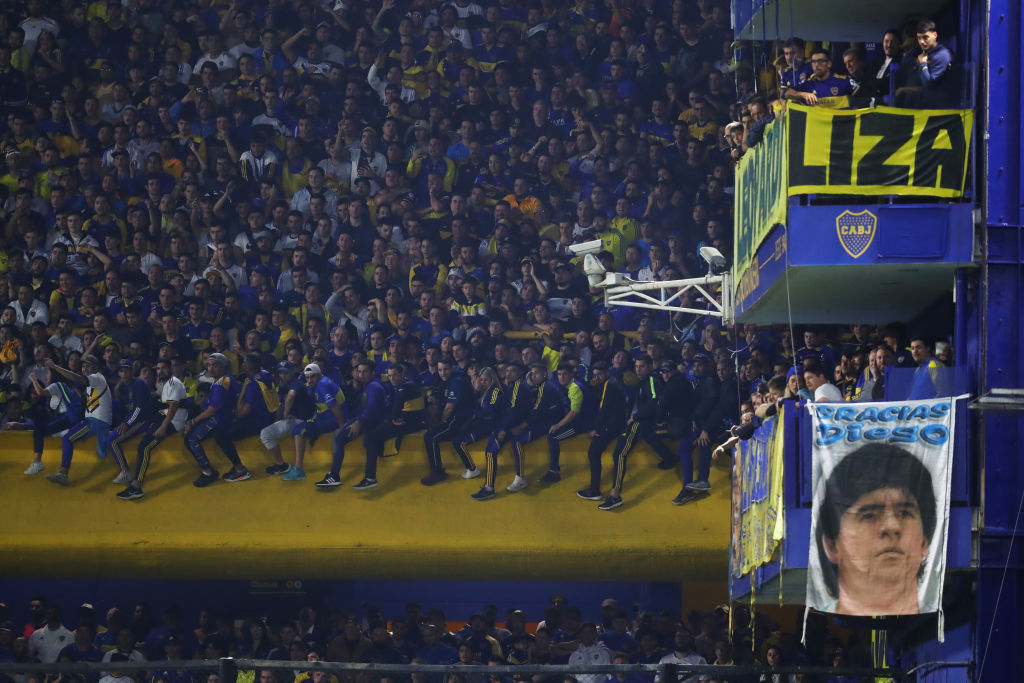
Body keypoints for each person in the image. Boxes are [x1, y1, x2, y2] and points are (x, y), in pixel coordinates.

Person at [815, 444, 937, 615]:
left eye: (904, 513)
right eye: (869, 515)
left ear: (925, 541)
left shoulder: (945, 627)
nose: (892, 526)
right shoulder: (818, 627)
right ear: (832, 545)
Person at [597, 355, 676, 511]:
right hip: (640, 422)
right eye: (637, 366)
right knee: (649, 437)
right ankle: (670, 458)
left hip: (639, 422)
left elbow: (654, 400)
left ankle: (615, 494)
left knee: (620, 454)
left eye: (642, 366)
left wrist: (635, 417)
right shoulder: (641, 382)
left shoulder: (651, 380)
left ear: (650, 367)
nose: (638, 370)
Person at [115, 360, 188, 500]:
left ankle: (136, 486)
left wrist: (163, 427)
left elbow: (173, 407)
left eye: (164, 368)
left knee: (144, 448)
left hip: (173, 422)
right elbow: (155, 397)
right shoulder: (165, 384)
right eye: (158, 368)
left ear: (170, 369)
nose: (160, 371)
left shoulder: (174, 383)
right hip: (163, 418)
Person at [182, 353, 252, 487]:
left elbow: (212, 409)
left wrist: (193, 421)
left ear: (224, 367)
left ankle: (209, 472)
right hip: (221, 417)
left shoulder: (221, 383)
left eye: (215, 365)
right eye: (209, 365)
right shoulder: (223, 379)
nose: (210, 368)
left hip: (220, 418)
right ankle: (238, 468)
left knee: (190, 439)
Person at [42, 354, 113, 486]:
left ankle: (63, 473)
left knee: (67, 438)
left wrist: (54, 366)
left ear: (96, 367)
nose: (85, 369)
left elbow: (76, 377)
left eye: (88, 366)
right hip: (97, 422)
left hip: (96, 422)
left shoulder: (97, 378)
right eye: (83, 366)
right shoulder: (93, 384)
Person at [316, 359, 387, 488]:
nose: (361, 374)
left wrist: (358, 422)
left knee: (338, 439)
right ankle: (365, 477)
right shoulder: (370, 386)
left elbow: (372, 408)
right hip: (368, 421)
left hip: (369, 422)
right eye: (359, 371)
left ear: (373, 372)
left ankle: (334, 476)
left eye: (365, 371)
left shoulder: (373, 386)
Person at [357, 363, 425, 490]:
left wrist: (392, 420)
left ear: (402, 374)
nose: (392, 378)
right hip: (409, 421)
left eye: (395, 375)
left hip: (409, 423)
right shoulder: (403, 385)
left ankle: (370, 478)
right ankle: (377, 452)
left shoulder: (405, 387)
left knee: (370, 437)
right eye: (389, 376)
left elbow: (395, 410)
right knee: (373, 432)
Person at [282, 363, 347, 481]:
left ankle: (298, 469)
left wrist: (342, 426)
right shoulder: (320, 382)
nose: (309, 380)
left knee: (298, 430)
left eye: (312, 377)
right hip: (325, 416)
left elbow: (335, 407)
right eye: (307, 377)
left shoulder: (323, 385)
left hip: (332, 418)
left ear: (319, 375)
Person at [422, 356, 478, 485]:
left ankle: (437, 472)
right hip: (456, 419)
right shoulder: (449, 380)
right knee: (430, 435)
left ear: (452, 368)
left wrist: (440, 423)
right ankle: (437, 471)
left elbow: (449, 408)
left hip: (459, 421)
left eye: (445, 369)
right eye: (440, 370)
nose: (442, 373)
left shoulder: (457, 381)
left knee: (431, 437)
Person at [576, 361, 628, 502]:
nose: (596, 378)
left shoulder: (608, 385)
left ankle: (594, 490)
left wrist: (596, 429)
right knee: (594, 453)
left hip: (609, 426)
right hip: (617, 424)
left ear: (607, 373)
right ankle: (594, 489)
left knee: (593, 453)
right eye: (595, 375)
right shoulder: (612, 384)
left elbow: (604, 409)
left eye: (599, 374)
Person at [542, 361, 596, 484]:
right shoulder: (573, 384)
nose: (561, 377)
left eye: (565, 374)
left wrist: (558, 425)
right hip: (579, 419)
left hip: (582, 424)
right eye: (559, 374)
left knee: (553, 437)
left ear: (572, 374)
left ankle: (554, 472)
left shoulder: (575, 388)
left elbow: (574, 413)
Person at [106, 359, 159, 486]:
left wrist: (127, 423)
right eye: (121, 371)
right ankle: (125, 471)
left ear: (132, 371)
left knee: (112, 441)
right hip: (131, 419)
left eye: (127, 371)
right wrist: (116, 394)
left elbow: (138, 408)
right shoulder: (123, 387)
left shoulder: (139, 384)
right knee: (110, 438)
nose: (124, 374)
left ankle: (126, 472)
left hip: (143, 421)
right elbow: (123, 409)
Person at [895, 19, 957, 107]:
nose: (921, 42)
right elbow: (905, 60)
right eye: (919, 38)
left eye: (925, 37)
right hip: (922, 105)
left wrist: (923, 64)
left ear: (935, 35)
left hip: (939, 107)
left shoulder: (942, 55)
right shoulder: (925, 49)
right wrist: (917, 61)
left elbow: (929, 87)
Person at [786, 49, 853, 109]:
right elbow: (785, 92)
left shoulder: (844, 80)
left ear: (829, 64)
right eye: (814, 62)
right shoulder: (808, 83)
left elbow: (859, 95)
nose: (816, 65)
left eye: (820, 61)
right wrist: (803, 94)